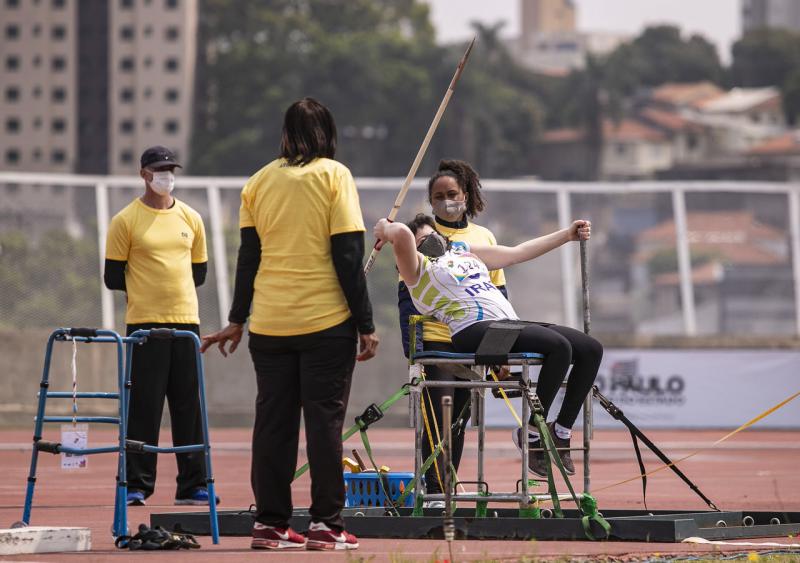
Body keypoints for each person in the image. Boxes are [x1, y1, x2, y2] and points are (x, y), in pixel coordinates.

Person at [200, 98, 379, 551]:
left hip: (270, 327)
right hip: (326, 324)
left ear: (285, 133)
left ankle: (270, 523)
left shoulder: (258, 182)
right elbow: (347, 256)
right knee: (324, 425)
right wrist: (366, 323)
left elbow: (249, 259)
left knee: (273, 425)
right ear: (328, 133)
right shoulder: (334, 176)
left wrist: (236, 320)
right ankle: (326, 525)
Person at [375, 215, 602, 477]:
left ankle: (560, 432)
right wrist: (385, 228)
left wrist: (567, 235)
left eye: (434, 236)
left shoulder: (463, 253)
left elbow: (517, 253)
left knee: (590, 349)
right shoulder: (417, 271)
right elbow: (402, 234)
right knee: (559, 346)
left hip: (508, 323)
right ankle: (530, 433)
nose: (431, 243)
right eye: (422, 242)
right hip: (471, 331)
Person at [104, 146, 216, 507]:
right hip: (144, 324)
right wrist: (147, 292)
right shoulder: (125, 220)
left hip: (186, 322)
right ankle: (137, 483)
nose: (166, 175)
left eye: (170, 169)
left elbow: (199, 271)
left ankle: (194, 484)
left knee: (188, 405)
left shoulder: (191, 218)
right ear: (144, 174)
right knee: (144, 405)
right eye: (159, 169)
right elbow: (112, 276)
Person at [397, 160, 509, 504]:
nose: (446, 201)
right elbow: (407, 297)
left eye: (452, 194)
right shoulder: (422, 237)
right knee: (437, 419)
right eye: (438, 196)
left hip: (474, 342)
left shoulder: (483, 237)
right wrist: (414, 351)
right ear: (430, 202)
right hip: (438, 345)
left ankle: (446, 489)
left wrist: (499, 355)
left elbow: (499, 298)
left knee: (459, 422)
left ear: (466, 195)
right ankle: (434, 491)